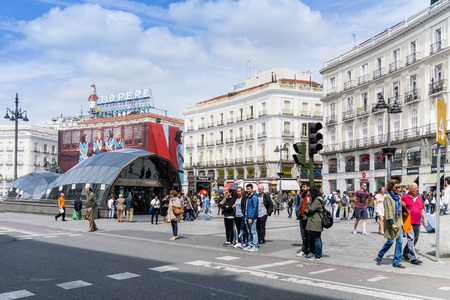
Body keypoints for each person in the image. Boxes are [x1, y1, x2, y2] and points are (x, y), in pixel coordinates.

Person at [376, 179, 407, 268]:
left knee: (400, 241)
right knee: (390, 241)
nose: (398, 189)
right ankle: (380, 254)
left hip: (399, 221)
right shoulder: (388, 198)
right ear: (391, 187)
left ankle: (397, 262)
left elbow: (400, 209)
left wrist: (403, 205)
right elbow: (388, 211)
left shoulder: (398, 197)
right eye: (396, 187)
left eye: (399, 187)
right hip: (391, 223)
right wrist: (392, 223)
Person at [402, 182, 428, 265]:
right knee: (411, 239)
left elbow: (422, 209)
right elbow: (400, 209)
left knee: (415, 239)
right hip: (408, 221)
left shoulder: (419, 197)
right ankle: (413, 258)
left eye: (417, 188)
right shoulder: (404, 198)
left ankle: (405, 252)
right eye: (414, 188)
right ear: (409, 189)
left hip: (417, 222)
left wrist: (425, 219)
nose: (417, 189)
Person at [305, 186, 325, 260]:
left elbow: (311, 209)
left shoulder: (316, 200)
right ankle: (317, 254)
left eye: (309, 192)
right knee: (317, 238)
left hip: (315, 221)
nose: (308, 194)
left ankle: (318, 255)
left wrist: (308, 202)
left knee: (316, 238)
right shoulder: (318, 199)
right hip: (316, 220)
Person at [297, 183, 311, 257]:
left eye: (304, 187)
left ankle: (308, 250)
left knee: (308, 235)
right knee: (303, 235)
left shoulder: (311, 196)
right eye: (302, 187)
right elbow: (300, 204)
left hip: (307, 217)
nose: (302, 188)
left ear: (308, 187)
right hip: (301, 217)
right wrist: (298, 211)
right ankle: (304, 250)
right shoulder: (302, 195)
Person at [244, 183, 259, 252]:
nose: (247, 190)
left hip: (251, 217)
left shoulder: (254, 197)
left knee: (253, 231)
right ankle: (250, 244)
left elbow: (254, 208)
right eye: (247, 189)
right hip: (247, 216)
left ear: (252, 189)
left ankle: (255, 246)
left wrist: (251, 217)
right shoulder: (248, 197)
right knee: (249, 232)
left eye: (249, 189)